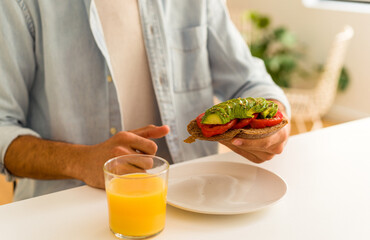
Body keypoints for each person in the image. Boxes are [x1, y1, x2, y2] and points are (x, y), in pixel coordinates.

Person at [0, 0, 291, 201]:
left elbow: (251, 82)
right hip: (65, 215)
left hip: (196, 202)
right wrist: (81, 162)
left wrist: (274, 121)